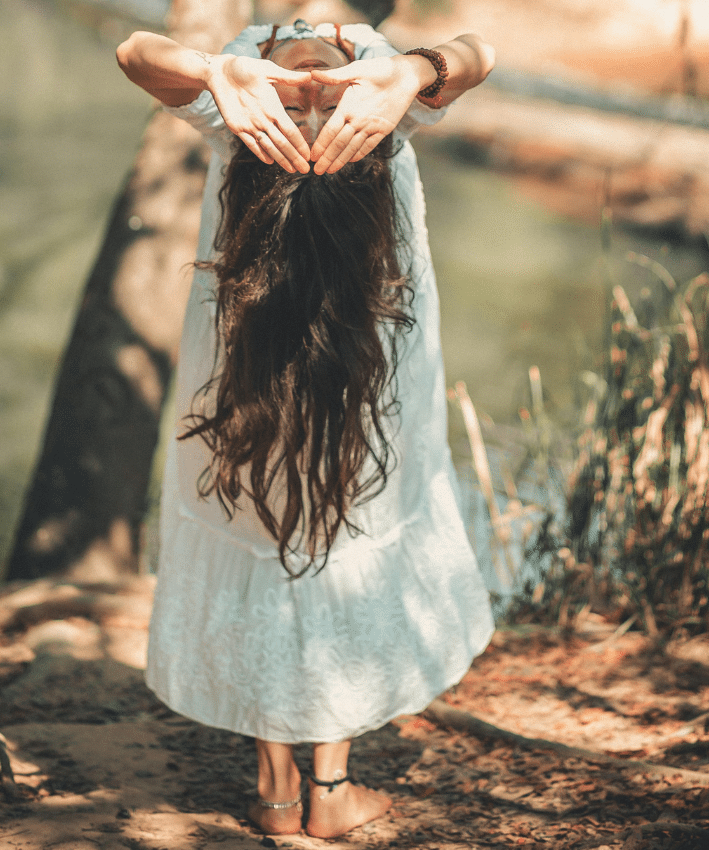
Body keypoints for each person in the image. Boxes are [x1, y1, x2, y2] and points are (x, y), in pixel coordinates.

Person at [117, 4, 496, 838]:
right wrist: (414, 71)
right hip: (362, 352)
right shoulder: (366, 79)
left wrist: (223, 71)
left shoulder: (254, 77)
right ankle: (327, 789)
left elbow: (137, 52)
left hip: (270, 351)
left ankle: (279, 793)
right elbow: (478, 53)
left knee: (268, 517)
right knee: (335, 521)